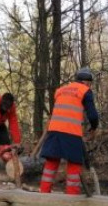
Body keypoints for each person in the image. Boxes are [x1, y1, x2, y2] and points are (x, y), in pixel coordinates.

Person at [39, 66, 99, 195]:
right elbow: (93, 116)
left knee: (51, 162)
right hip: (71, 132)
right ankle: (71, 199)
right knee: (74, 164)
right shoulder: (85, 91)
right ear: (88, 82)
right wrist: (94, 129)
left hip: (54, 130)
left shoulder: (61, 90)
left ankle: (43, 195)